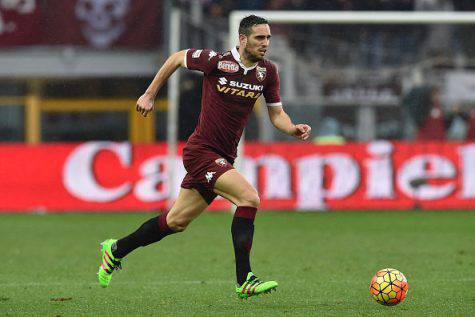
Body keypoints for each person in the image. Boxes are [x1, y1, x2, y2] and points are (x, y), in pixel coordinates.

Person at [97, 15, 311, 299]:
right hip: (201, 152)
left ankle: (116, 249)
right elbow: (176, 58)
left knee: (175, 221)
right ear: (243, 39)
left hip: (224, 157)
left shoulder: (267, 72)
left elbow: (277, 115)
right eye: (260, 38)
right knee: (249, 198)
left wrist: (293, 128)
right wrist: (150, 94)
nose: (266, 44)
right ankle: (244, 279)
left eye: (268, 38)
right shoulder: (216, 62)